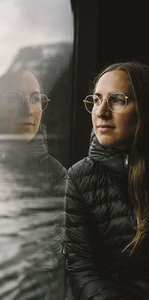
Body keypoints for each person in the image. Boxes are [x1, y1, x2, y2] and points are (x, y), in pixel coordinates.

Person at [64, 61, 149, 299]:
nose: (101, 112)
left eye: (118, 100)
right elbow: (83, 268)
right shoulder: (80, 177)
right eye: (97, 100)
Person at [0, 69, 67, 300]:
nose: (28, 109)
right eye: (15, 98)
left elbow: (49, 259)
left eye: (36, 99)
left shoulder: (57, 176)